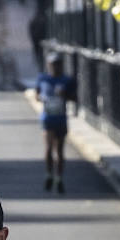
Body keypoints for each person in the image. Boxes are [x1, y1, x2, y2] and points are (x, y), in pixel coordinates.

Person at [35, 53, 76, 194]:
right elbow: (37, 95)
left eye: (58, 64)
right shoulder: (43, 78)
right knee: (48, 148)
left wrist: (64, 94)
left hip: (60, 119)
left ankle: (59, 178)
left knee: (59, 150)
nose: (55, 66)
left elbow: (75, 97)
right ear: (48, 65)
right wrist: (42, 97)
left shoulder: (67, 80)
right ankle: (48, 174)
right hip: (47, 118)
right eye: (53, 64)